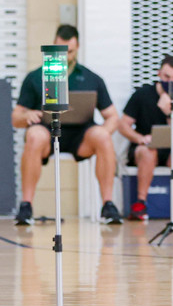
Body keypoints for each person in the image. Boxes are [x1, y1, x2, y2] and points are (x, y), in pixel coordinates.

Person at [12, 25, 123, 225]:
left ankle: (108, 204)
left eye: (69, 51)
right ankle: (26, 205)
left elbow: (112, 116)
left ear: (77, 47)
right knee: (34, 135)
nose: (64, 56)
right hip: (46, 132)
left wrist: (103, 132)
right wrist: (27, 114)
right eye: (60, 50)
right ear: (54, 46)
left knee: (103, 136)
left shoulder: (91, 78)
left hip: (80, 135)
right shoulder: (35, 77)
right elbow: (16, 118)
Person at [117, 54, 173, 221]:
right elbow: (123, 125)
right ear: (159, 74)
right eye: (166, 77)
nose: (170, 81)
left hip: (171, 153)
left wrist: (169, 113)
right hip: (145, 150)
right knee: (147, 151)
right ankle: (140, 203)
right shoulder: (142, 95)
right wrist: (139, 138)